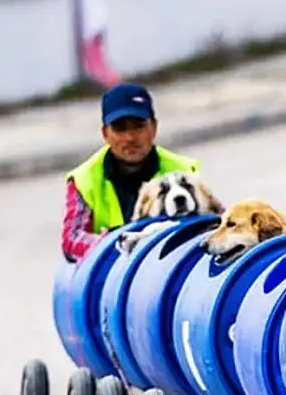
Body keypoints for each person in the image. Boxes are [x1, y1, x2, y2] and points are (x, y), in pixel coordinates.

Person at [60, 82, 202, 262]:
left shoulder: (184, 170)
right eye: (120, 128)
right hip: (111, 275)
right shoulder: (84, 180)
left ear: (154, 127)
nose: (130, 137)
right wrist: (122, 244)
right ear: (105, 133)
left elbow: (214, 221)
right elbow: (72, 240)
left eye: (138, 125)